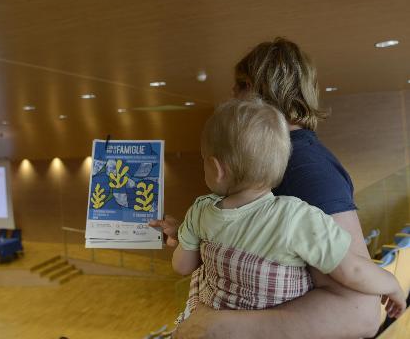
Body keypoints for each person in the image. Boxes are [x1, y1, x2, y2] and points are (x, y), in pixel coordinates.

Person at [150, 38, 381, 338]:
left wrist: (219, 325)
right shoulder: (274, 162)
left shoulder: (307, 168)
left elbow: (360, 313)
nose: (231, 96)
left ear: (262, 90)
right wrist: (194, 233)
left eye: (239, 86)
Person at [171, 98, 405, 327]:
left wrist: (182, 236)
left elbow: (182, 266)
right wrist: (392, 284)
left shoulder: (199, 211)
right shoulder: (297, 217)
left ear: (216, 168)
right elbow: (352, 270)